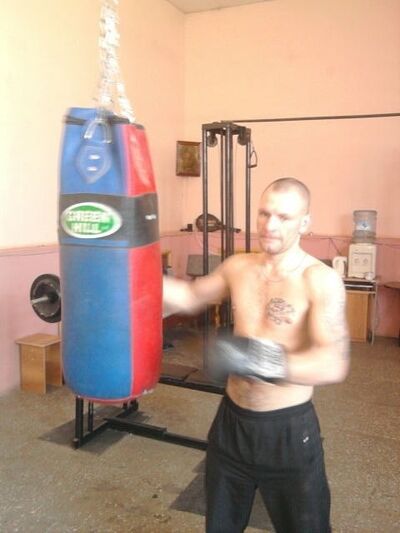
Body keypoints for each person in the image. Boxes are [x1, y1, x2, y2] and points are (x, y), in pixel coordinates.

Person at [163, 177, 350, 533]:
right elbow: (189, 297)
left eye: (284, 217)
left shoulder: (318, 279)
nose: (270, 225)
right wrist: (127, 276)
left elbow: (333, 363)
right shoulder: (239, 267)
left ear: (305, 223)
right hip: (231, 425)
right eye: (264, 213)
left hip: (287, 432)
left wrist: (260, 361)